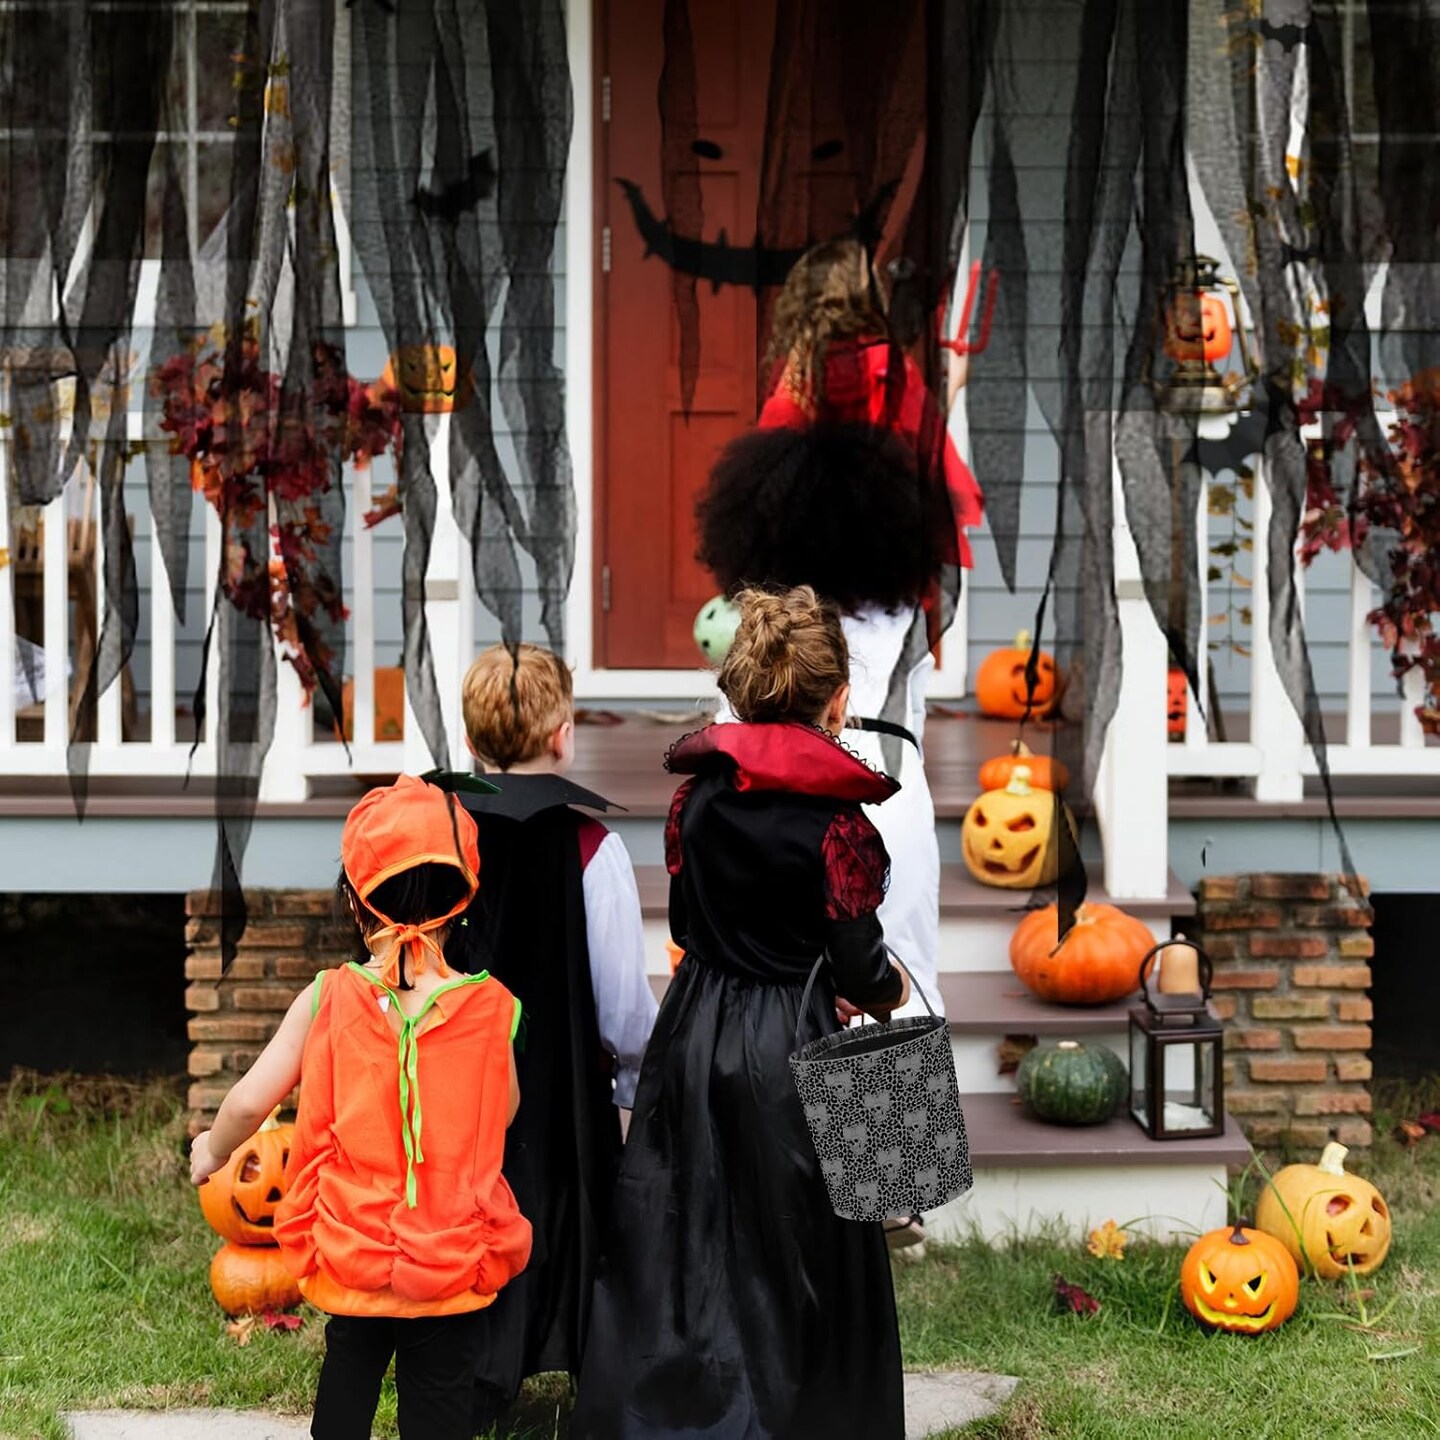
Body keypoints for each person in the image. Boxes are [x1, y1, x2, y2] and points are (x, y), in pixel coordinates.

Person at [571, 586, 912, 1440]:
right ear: (838, 701)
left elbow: (688, 927)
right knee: (796, 1252)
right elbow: (861, 968)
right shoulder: (839, 824)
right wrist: (886, 992)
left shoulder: (699, 800)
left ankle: (686, 1416)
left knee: (692, 1237)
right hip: (792, 1047)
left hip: (695, 1034)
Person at [189, 775, 531, 1440]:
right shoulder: (494, 1009)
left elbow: (251, 1099)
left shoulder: (326, 998)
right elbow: (507, 1110)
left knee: (345, 1398)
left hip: (356, 1257)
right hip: (450, 1266)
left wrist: (213, 1148)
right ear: (462, 898)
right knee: (439, 1410)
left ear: (355, 900)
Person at [448, 642, 658, 1430]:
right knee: (562, 1213)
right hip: (559, 1093)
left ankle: (463, 1362)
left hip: (454, 1090)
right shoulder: (591, 850)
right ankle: (569, 1356)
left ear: (468, 744)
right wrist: (638, 1080)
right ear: (564, 735)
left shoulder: (444, 834)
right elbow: (619, 1007)